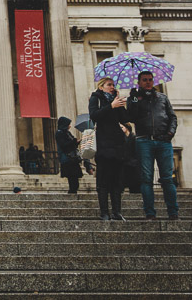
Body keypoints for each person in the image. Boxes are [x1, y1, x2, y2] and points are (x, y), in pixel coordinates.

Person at [126, 71, 180, 220]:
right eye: (145, 80)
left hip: (163, 141)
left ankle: (173, 212)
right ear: (139, 82)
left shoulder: (162, 98)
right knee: (146, 178)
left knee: (167, 178)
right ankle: (150, 213)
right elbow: (130, 117)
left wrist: (170, 134)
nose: (148, 82)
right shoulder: (135, 98)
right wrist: (134, 100)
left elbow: (172, 117)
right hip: (144, 141)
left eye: (150, 80)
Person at [89, 77, 129, 221]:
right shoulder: (95, 98)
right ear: (101, 87)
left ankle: (117, 212)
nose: (112, 87)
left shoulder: (115, 101)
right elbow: (94, 115)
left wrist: (120, 104)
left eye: (113, 85)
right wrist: (110, 106)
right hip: (104, 143)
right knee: (103, 181)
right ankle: (104, 212)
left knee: (117, 181)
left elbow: (125, 119)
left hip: (117, 143)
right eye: (109, 85)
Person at [55, 117, 82, 194]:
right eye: (68, 124)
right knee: (72, 176)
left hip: (72, 157)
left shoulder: (67, 133)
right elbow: (63, 145)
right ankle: (72, 191)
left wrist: (76, 142)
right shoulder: (59, 133)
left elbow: (71, 143)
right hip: (67, 157)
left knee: (74, 177)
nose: (70, 126)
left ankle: (73, 190)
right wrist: (73, 141)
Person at [120, 123, 141, 194]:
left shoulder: (134, 137)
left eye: (122, 127)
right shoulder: (121, 138)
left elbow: (137, 152)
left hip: (133, 164)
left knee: (134, 186)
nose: (120, 129)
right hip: (125, 163)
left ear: (127, 128)